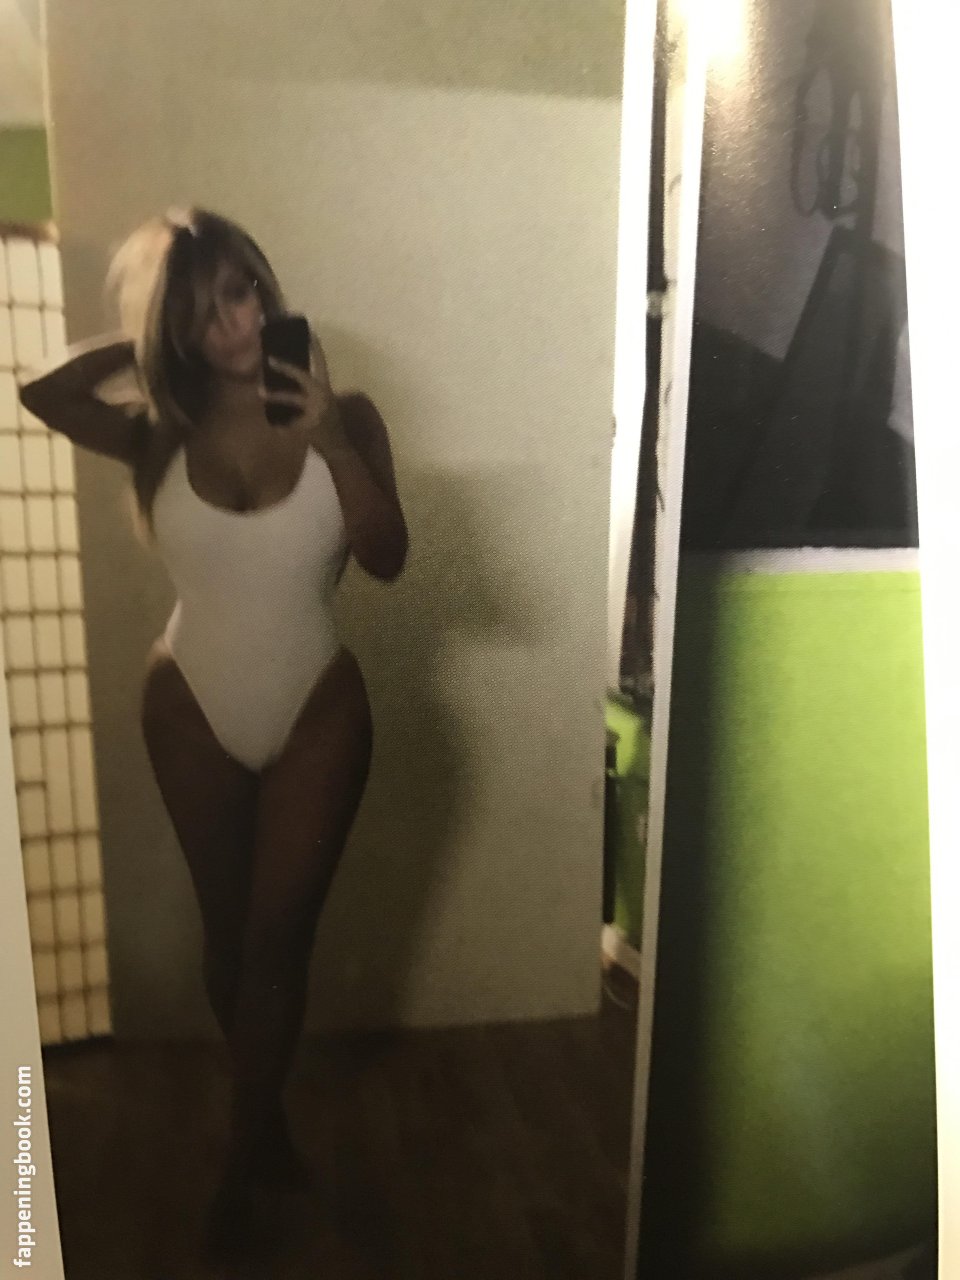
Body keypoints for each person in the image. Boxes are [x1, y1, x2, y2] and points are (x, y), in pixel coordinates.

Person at [17, 206, 408, 1248]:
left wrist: (332, 441)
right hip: (188, 701)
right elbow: (41, 392)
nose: (233, 323)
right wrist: (150, 345)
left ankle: (238, 1162)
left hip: (317, 705)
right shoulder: (161, 429)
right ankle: (265, 1124)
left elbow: (386, 557)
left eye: (241, 292)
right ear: (178, 331)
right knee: (230, 932)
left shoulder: (347, 415)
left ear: (267, 289)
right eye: (201, 311)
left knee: (279, 934)